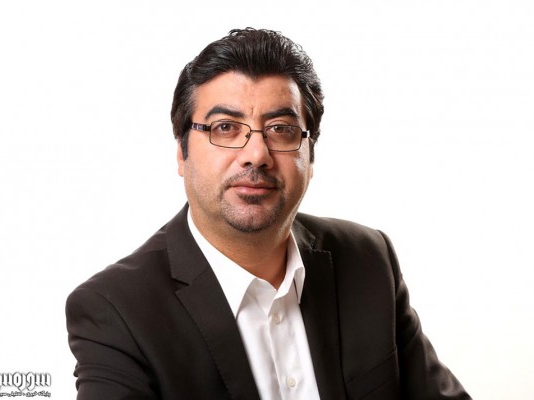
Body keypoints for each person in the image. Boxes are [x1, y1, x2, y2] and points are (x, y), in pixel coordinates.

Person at [66, 28, 471, 399]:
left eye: (281, 129)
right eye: (225, 127)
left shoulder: (368, 259)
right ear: (181, 153)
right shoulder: (115, 310)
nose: (256, 154)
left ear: (310, 155)